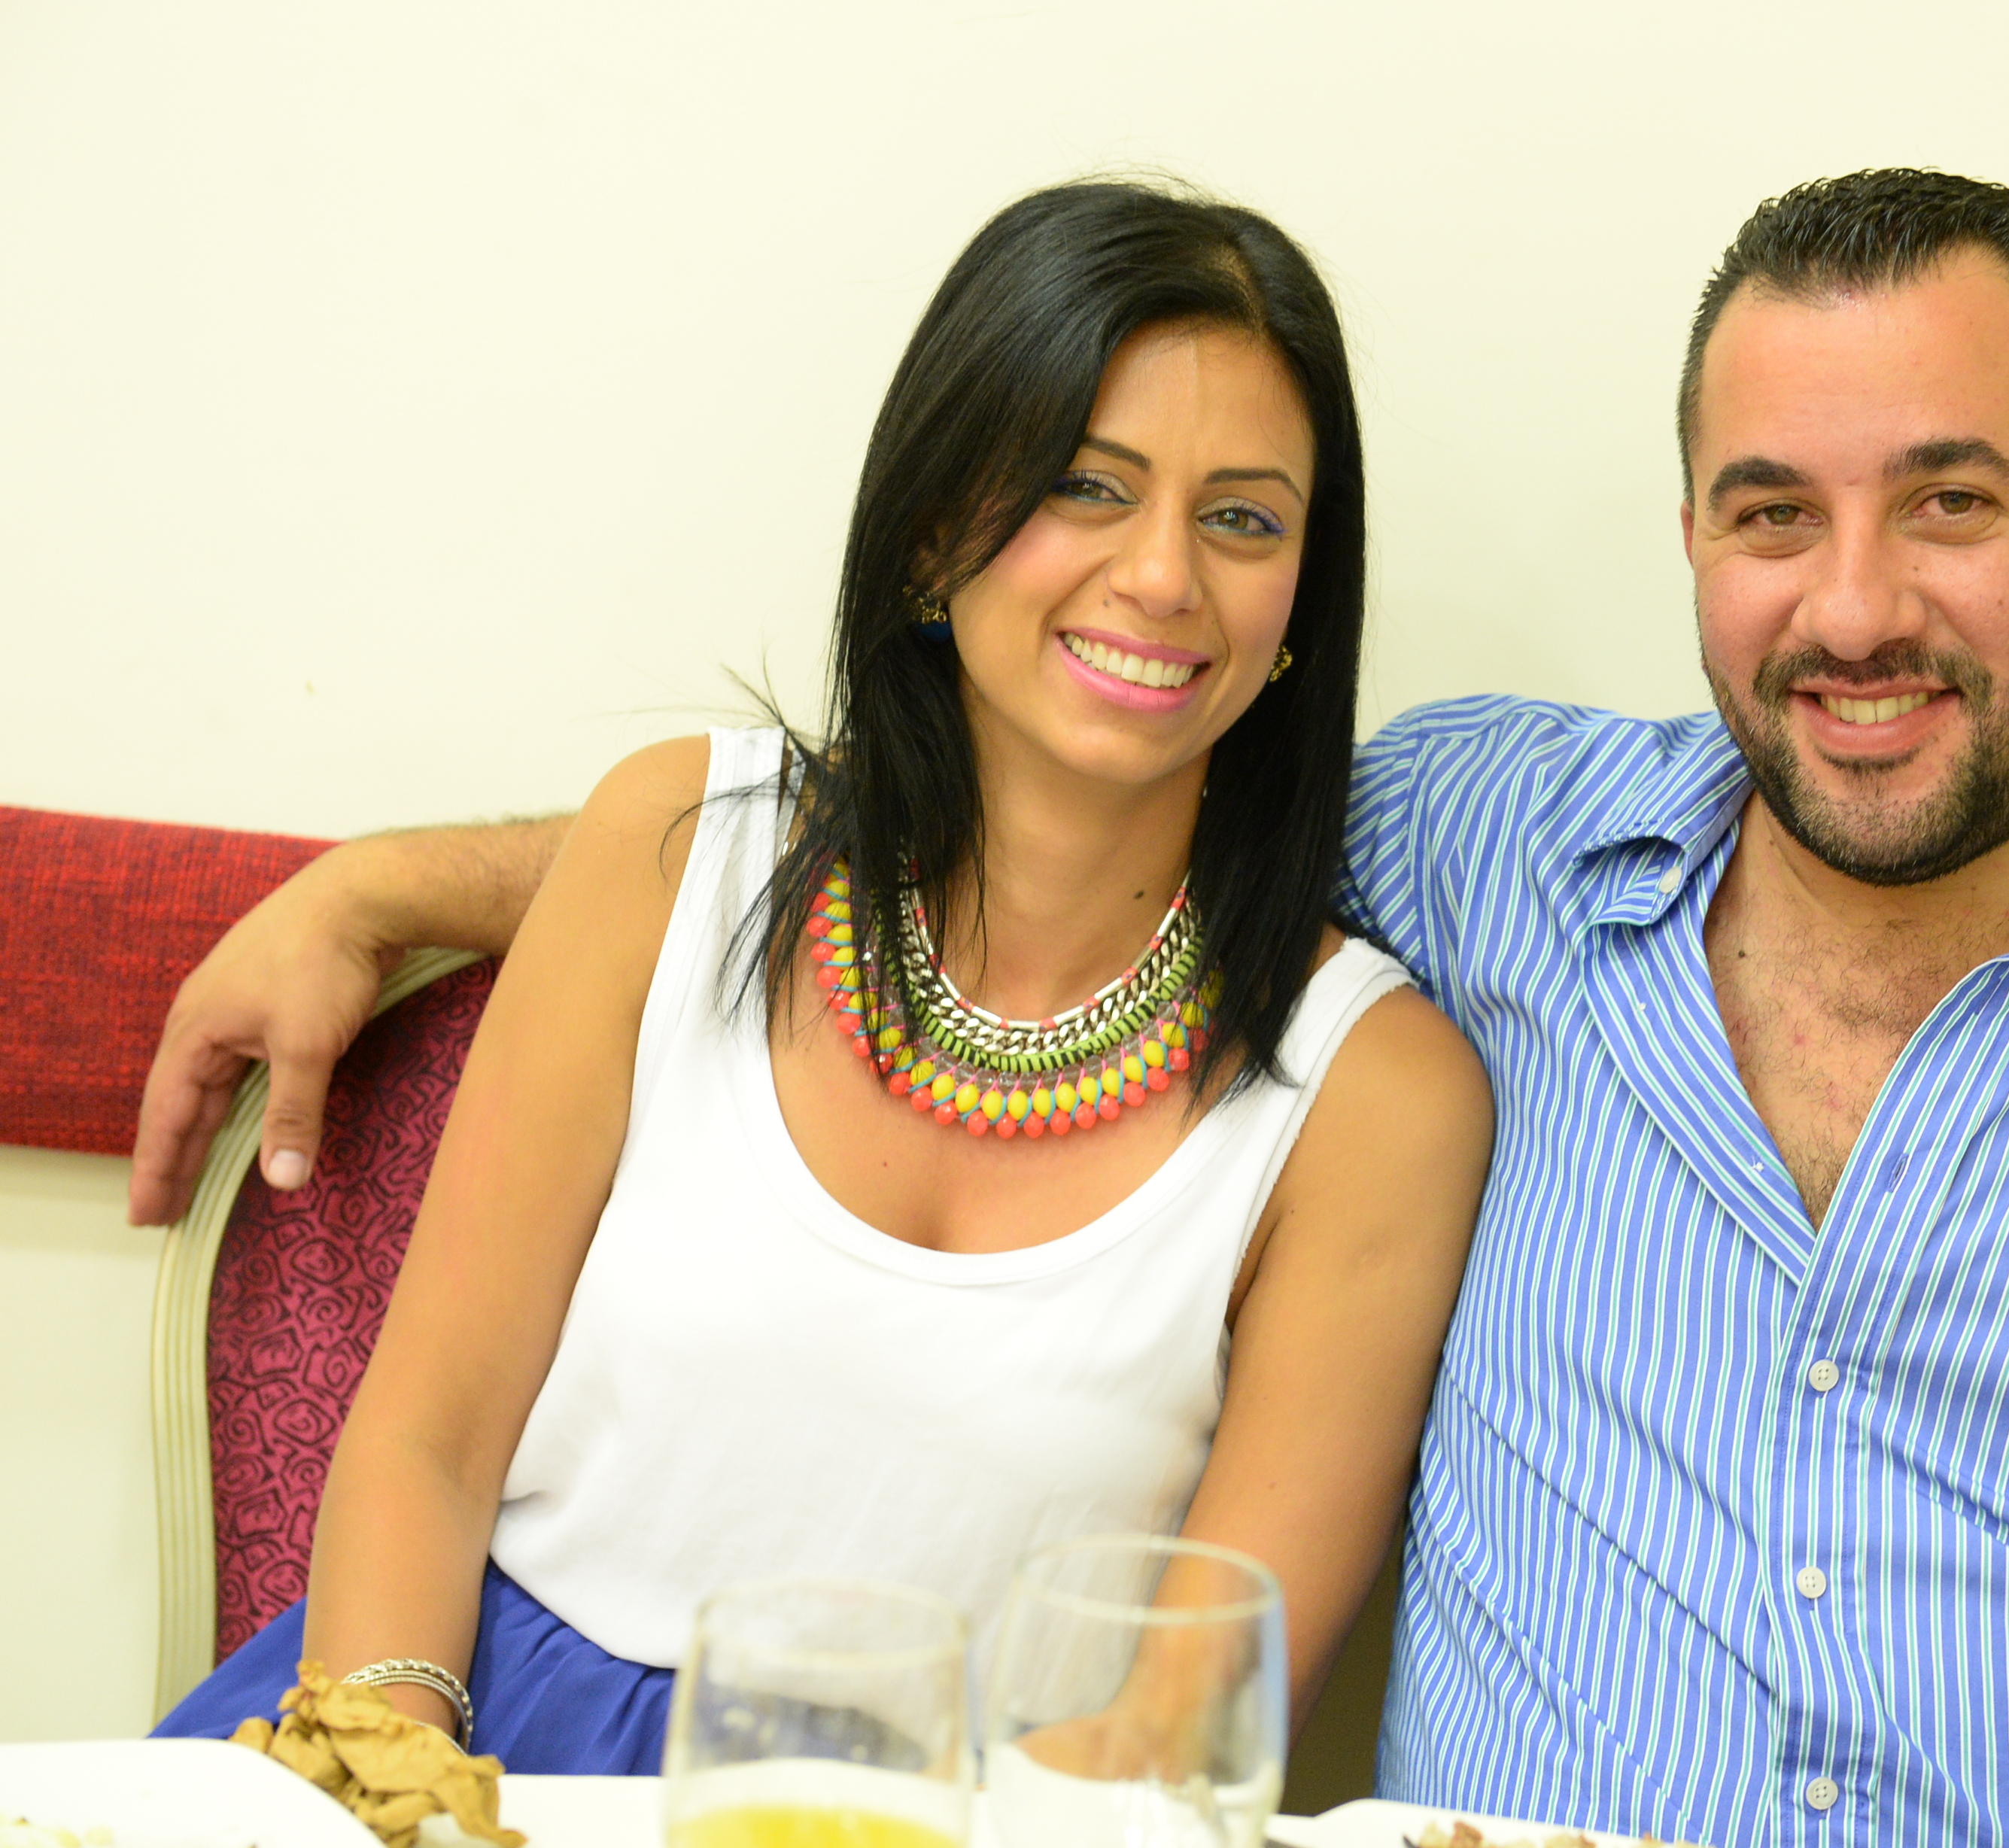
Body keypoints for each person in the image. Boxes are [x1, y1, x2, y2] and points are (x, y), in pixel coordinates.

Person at [133, 171, 2009, 1841]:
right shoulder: (1505, 856)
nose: (1852, 604)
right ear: (1693, 545)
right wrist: (412, 878)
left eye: (1951, 503)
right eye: (1774, 511)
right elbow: (993, 808)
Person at [142, 179, 1493, 1774]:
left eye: (1244, 519)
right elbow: (424, 1447)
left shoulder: (1376, 1099)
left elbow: (1179, 1725)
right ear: (931, 530)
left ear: (1299, 607)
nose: (1161, 576)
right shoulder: (671, 845)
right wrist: (405, 1777)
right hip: (459, 1740)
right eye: (1085, 484)